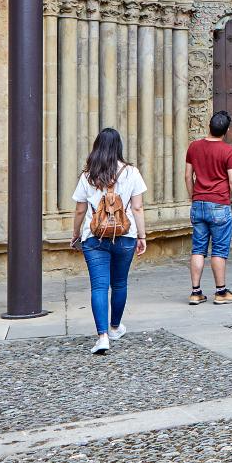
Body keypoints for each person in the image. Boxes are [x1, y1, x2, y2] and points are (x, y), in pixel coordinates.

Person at [70, 128, 147, 354]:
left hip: (94, 237)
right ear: (118, 147)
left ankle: (102, 336)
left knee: (99, 286)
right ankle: (115, 327)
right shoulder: (131, 172)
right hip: (125, 235)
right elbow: (137, 207)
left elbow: (79, 210)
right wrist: (142, 236)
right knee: (120, 283)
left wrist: (76, 234)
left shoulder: (87, 175)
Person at [185, 110, 232, 306]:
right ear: (226, 130)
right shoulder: (228, 151)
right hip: (219, 204)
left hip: (198, 203)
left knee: (198, 249)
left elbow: (187, 176)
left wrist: (193, 197)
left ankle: (195, 292)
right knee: (219, 250)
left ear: (208, 126)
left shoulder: (194, 147)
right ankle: (220, 292)